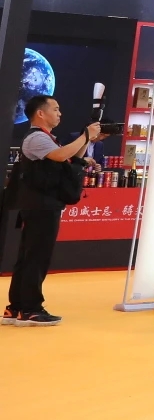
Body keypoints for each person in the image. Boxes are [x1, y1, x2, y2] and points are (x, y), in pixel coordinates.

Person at [4, 94, 97, 326]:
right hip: (41, 206)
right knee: (37, 257)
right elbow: (61, 155)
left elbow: (70, 157)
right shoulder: (37, 138)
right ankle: (31, 309)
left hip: (39, 205)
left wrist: (87, 138)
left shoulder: (46, 138)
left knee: (29, 256)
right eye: (55, 109)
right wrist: (86, 135)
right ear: (40, 113)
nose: (59, 113)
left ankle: (17, 307)